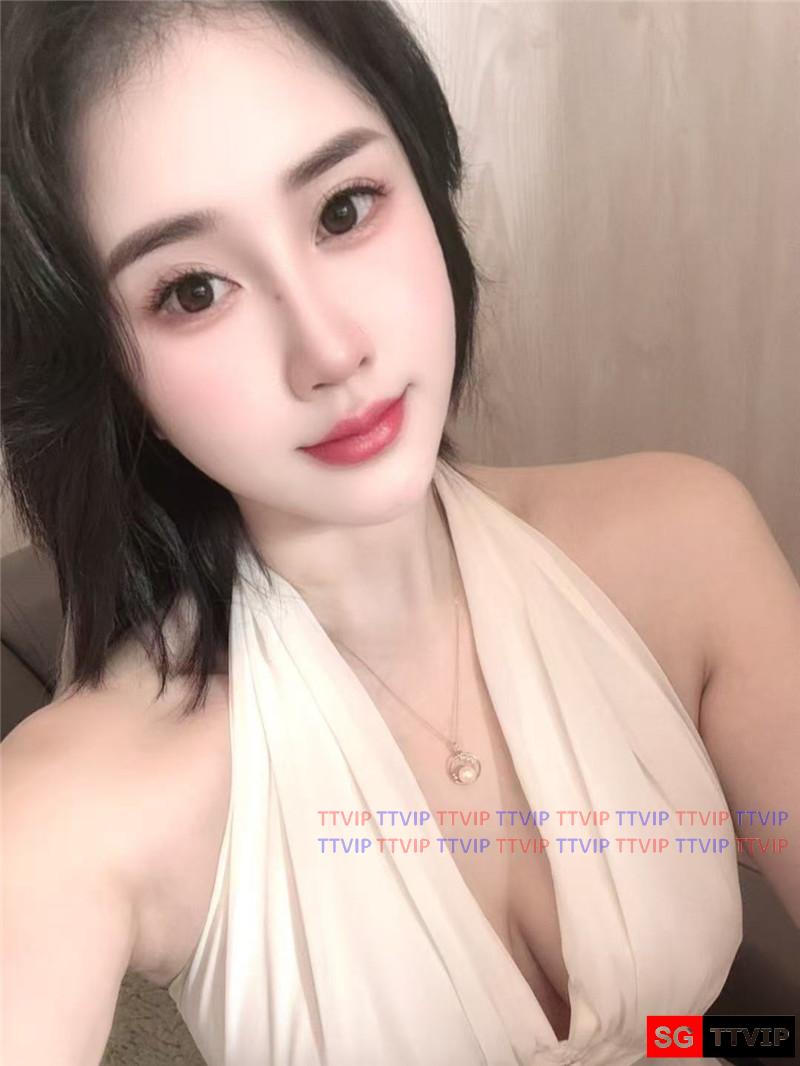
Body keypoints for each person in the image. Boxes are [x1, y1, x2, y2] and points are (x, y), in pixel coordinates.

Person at [1, 3, 798, 1065]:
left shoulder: (683, 543)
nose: (329, 350)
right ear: (109, 370)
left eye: (343, 209)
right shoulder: (83, 801)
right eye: (192, 290)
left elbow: (689, 1034)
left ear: (424, 182)